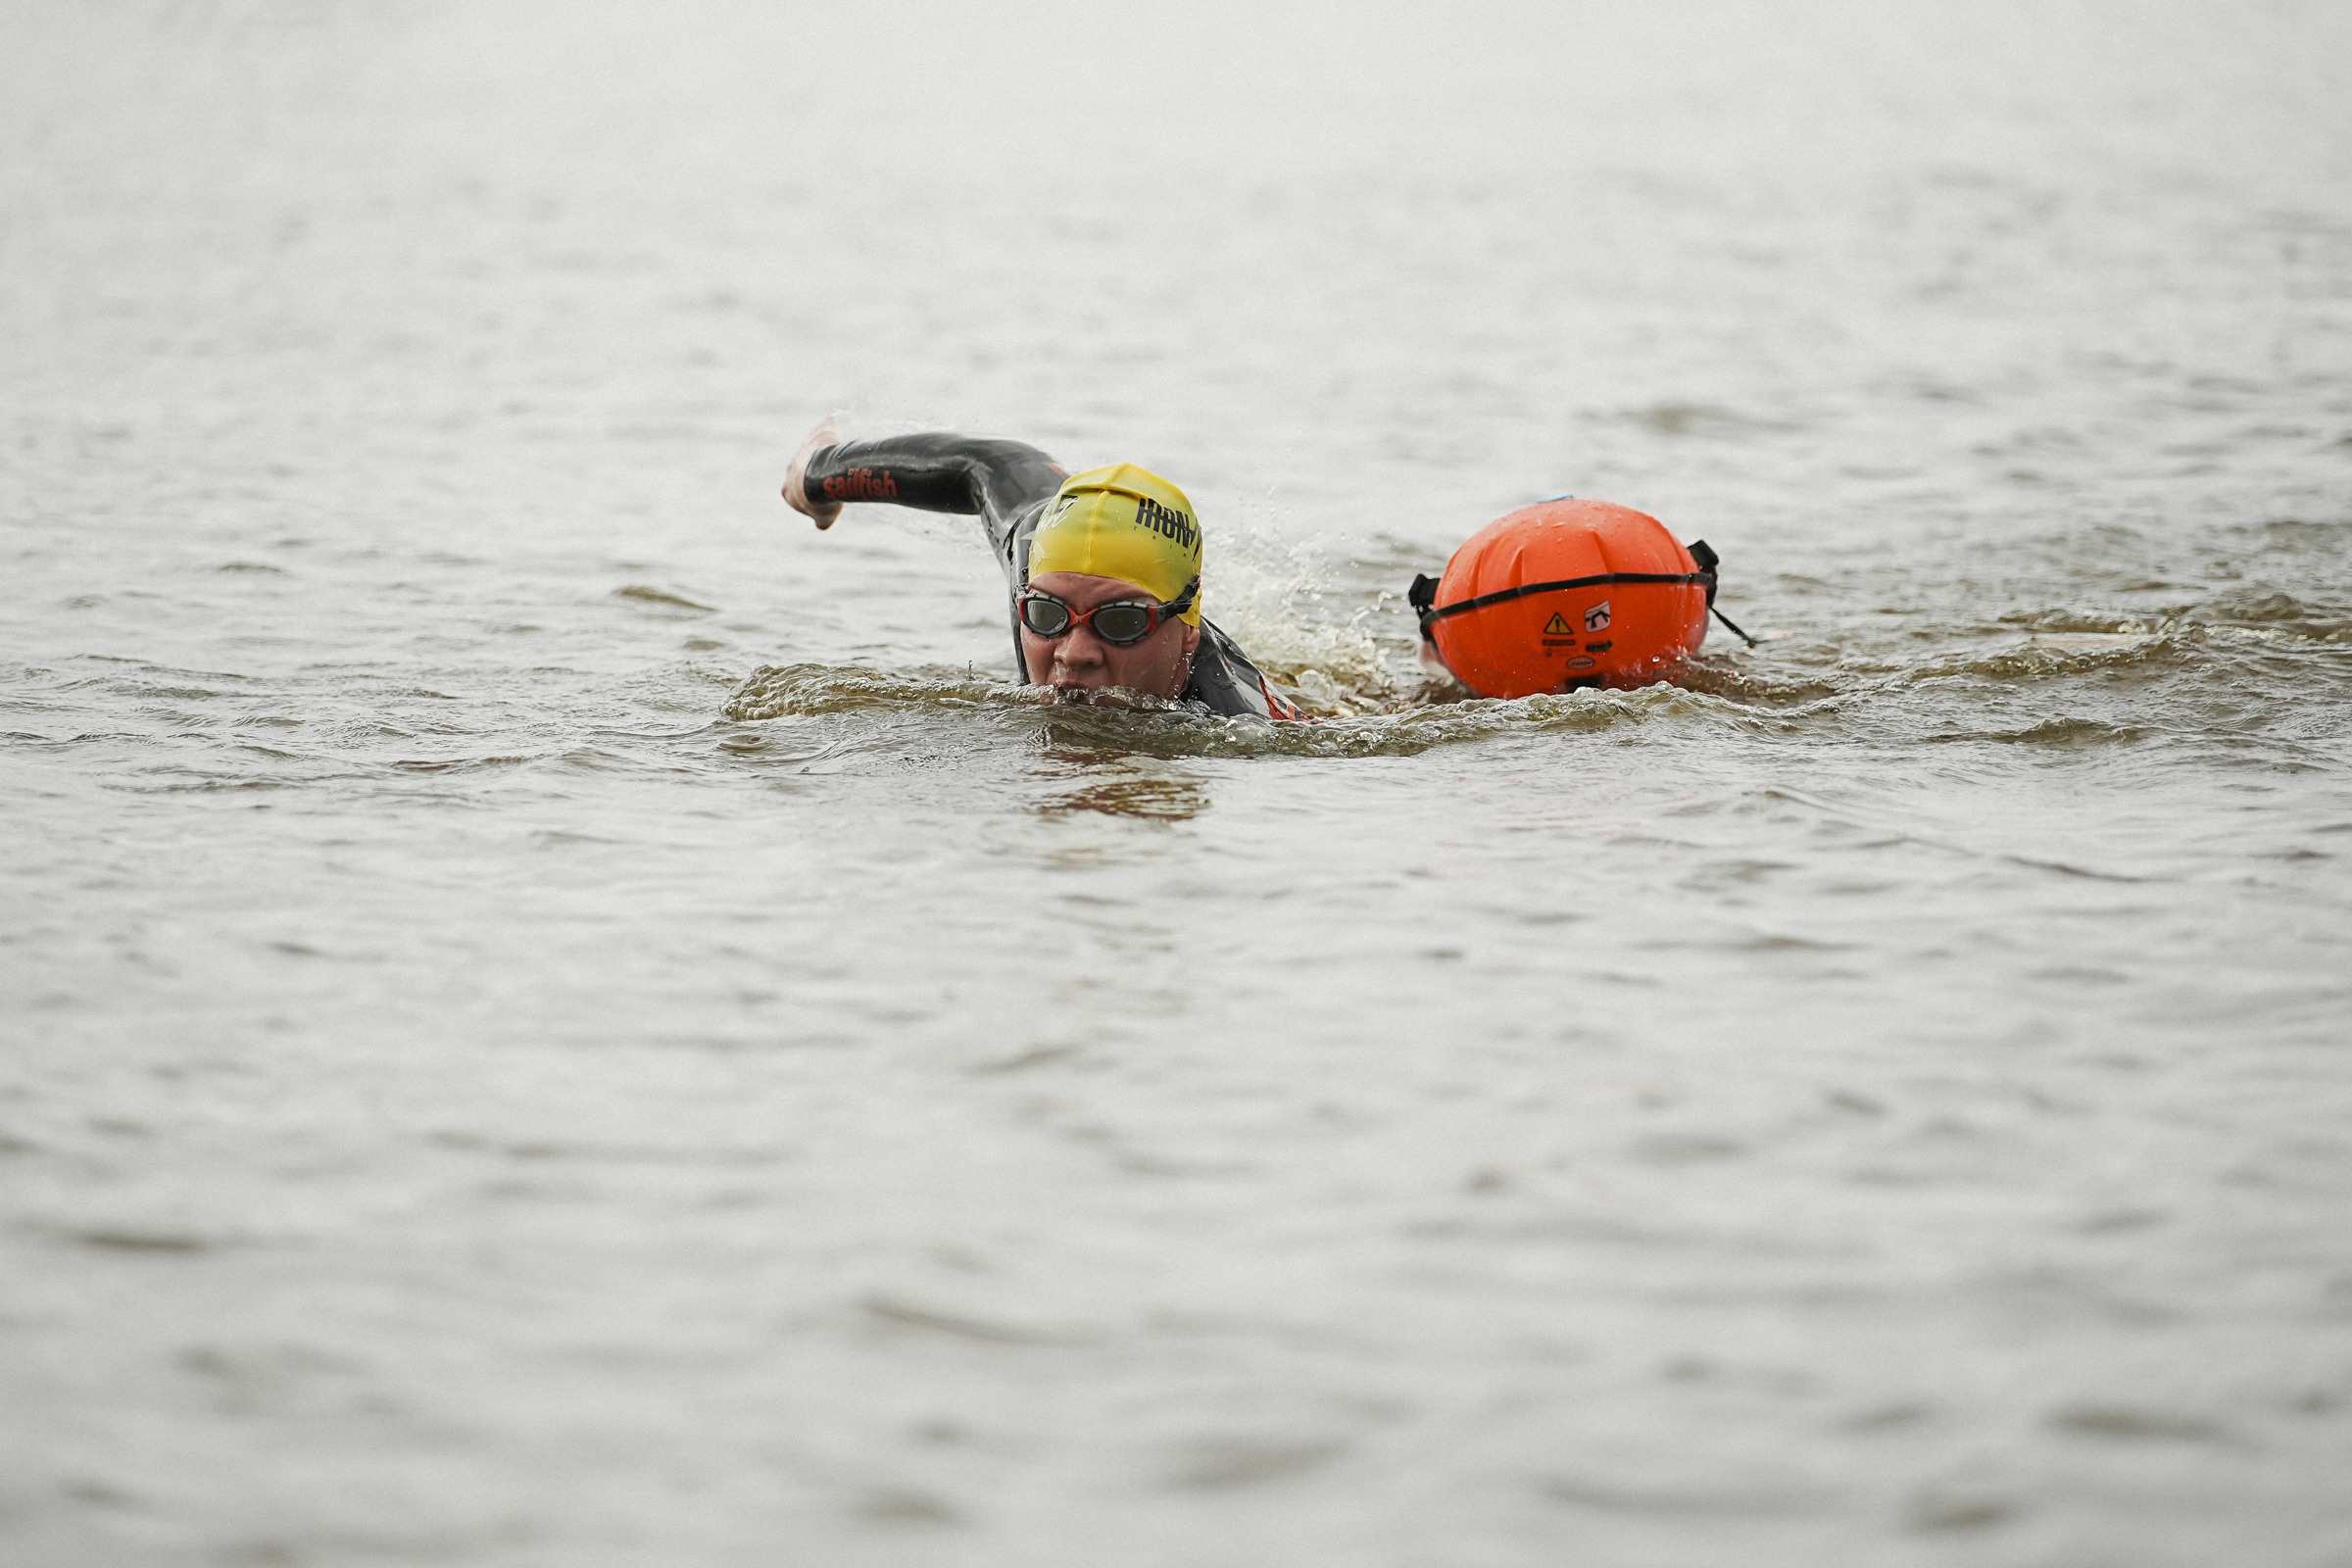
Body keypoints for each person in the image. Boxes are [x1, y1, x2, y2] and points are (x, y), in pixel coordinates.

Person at [781, 418, 1300, 719]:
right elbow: (987, 465)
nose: (1074, 655)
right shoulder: (1037, 552)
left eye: (1120, 622)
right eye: (1048, 616)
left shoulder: (1243, 721)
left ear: (1185, 630)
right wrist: (819, 476)